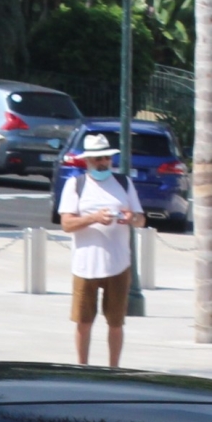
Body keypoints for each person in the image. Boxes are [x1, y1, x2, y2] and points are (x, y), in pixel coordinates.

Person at [58, 132, 144, 368]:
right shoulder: (75, 185)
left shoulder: (124, 183)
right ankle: (82, 367)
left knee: (116, 323)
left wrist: (131, 217)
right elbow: (66, 223)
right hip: (86, 265)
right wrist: (94, 218)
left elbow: (141, 219)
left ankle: (113, 369)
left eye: (106, 157)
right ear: (87, 161)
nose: (102, 162)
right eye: (97, 158)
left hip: (118, 264)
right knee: (83, 322)